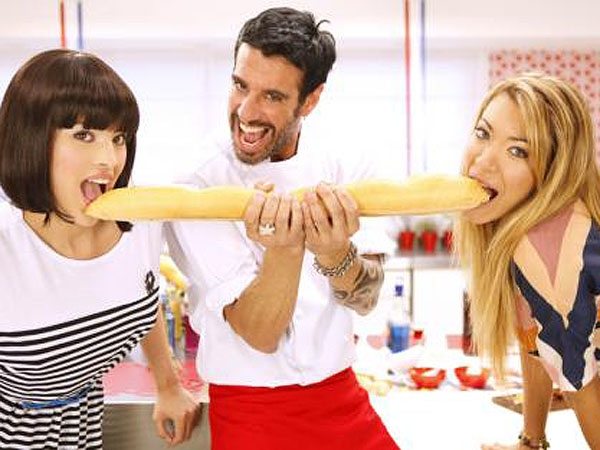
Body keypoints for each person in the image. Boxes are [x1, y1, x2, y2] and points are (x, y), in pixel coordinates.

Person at [165, 7, 399, 450]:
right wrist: (286, 249)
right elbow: (259, 333)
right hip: (252, 413)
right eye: (240, 85)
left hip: (342, 396)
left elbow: (366, 299)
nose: (246, 111)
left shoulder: (347, 162)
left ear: (310, 100)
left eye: (271, 96)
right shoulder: (197, 184)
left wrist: (335, 254)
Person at [0, 49, 200, 449]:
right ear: (30, 138)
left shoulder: (138, 225)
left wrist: (167, 384)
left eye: (118, 138)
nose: (109, 160)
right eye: (83, 135)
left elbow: (141, 294)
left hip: (83, 428)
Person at [454, 73, 600, 449]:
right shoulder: (531, 230)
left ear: (555, 170)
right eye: (483, 133)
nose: (483, 161)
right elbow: (538, 342)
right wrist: (531, 442)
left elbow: (577, 378)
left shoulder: (550, 249)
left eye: (518, 151)